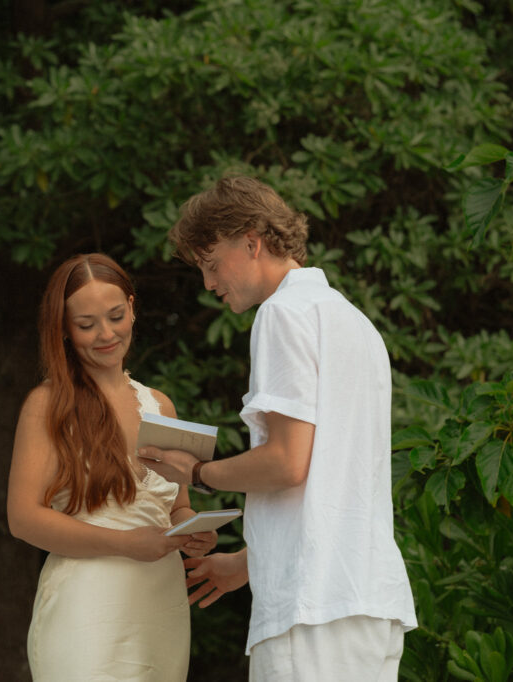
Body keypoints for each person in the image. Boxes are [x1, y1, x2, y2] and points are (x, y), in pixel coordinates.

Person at [140, 176, 418, 681]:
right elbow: (336, 483)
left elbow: (289, 463)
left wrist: (199, 472)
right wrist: (248, 562)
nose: (207, 283)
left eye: (209, 263)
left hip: (312, 611)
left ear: (250, 239)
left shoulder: (282, 314)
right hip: (369, 603)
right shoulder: (353, 321)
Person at [7, 252, 218, 681]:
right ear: (64, 330)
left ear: (133, 308)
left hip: (160, 605)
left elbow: (177, 506)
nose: (106, 334)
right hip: (86, 607)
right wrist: (125, 544)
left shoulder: (159, 406)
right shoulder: (47, 406)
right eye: (86, 325)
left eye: (116, 316)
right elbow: (23, 519)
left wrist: (194, 527)